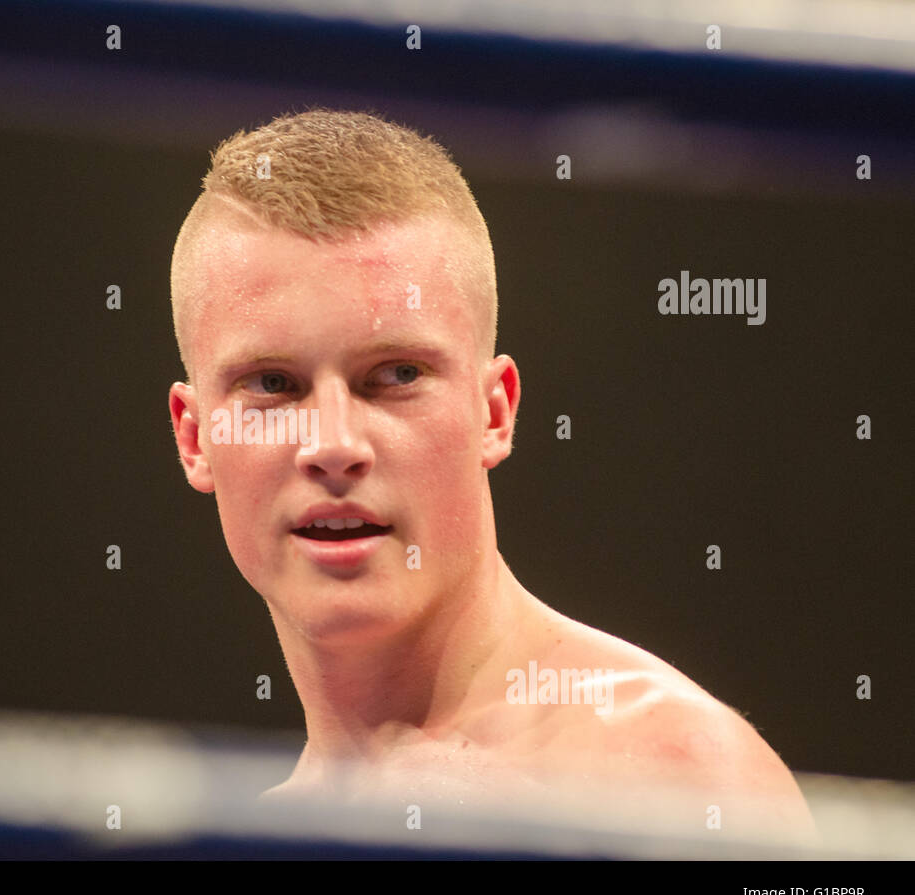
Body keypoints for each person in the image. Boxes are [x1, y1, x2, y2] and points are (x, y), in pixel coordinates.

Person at [167, 108, 814, 844]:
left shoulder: (673, 772)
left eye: (397, 374)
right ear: (196, 437)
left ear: (494, 411)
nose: (333, 444)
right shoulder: (249, 837)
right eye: (273, 385)